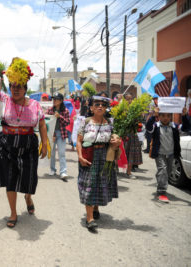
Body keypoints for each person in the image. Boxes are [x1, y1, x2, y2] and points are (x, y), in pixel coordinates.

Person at [0, 57, 48, 228]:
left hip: (28, 145)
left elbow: (42, 123)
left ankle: (28, 196)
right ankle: (13, 213)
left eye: (19, 86)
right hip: (7, 145)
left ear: (25, 88)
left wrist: (44, 144)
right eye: (13, 86)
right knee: (11, 179)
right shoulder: (3, 100)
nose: (16, 89)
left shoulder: (35, 105)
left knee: (29, 179)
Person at [76, 96, 120, 232]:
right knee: (89, 184)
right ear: (91, 108)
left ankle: (95, 207)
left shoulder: (110, 123)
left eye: (103, 105)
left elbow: (116, 139)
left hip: (105, 157)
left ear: (106, 108)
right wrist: (80, 156)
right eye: (97, 104)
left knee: (101, 183)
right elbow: (79, 141)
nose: (100, 106)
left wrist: (117, 142)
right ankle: (89, 218)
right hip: (89, 155)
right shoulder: (86, 122)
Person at [146, 107, 190, 203]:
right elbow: (148, 127)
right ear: (159, 117)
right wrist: (154, 115)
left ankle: (160, 179)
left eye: (168, 116)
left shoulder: (174, 126)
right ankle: (161, 192)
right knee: (163, 170)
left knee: (168, 171)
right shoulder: (156, 126)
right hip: (159, 154)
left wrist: (184, 116)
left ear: (171, 117)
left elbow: (186, 128)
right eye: (163, 115)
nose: (165, 118)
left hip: (171, 154)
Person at [46, 93, 70, 180]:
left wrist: (60, 117)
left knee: (61, 153)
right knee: (52, 153)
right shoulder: (49, 110)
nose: (54, 101)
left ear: (61, 101)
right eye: (54, 99)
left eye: (56, 99)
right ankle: (52, 169)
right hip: (52, 134)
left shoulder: (65, 111)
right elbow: (46, 122)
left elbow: (67, 122)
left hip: (61, 134)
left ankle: (63, 172)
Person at [123, 93, 142, 179]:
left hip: (132, 134)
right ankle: (115, 169)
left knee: (131, 153)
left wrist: (139, 115)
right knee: (120, 153)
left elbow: (138, 122)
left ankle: (129, 172)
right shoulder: (121, 110)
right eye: (127, 99)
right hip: (123, 134)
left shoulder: (134, 110)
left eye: (131, 99)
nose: (130, 101)